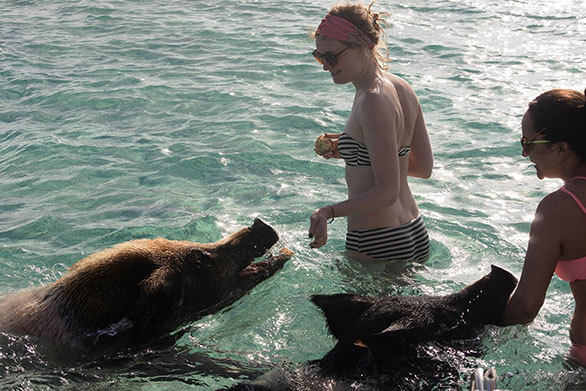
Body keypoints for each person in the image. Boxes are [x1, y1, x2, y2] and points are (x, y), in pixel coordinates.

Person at [307, 2, 433, 262]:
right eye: (319, 56)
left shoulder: (372, 99)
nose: (325, 66)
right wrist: (361, 153)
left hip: (377, 240)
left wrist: (327, 211)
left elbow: (388, 192)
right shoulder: (401, 86)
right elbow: (422, 168)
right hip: (414, 230)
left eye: (332, 56)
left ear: (364, 46)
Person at [502, 88, 586, 366]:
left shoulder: (558, 209)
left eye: (528, 142)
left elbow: (525, 307)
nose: (524, 153)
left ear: (562, 148)